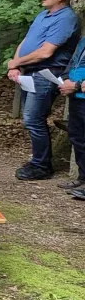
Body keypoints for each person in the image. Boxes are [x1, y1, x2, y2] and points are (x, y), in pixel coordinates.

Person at [6, 0, 78, 181]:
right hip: (29, 73)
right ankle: (38, 161)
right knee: (30, 119)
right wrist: (16, 65)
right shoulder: (42, 15)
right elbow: (26, 41)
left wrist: (16, 62)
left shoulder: (66, 18)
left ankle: (41, 165)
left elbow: (46, 52)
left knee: (33, 119)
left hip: (46, 74)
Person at [60, 35, 85, 199]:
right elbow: (73, 62)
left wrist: (76, 85)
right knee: (78, 138)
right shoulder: (83, 39)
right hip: (76, 98)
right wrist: (65, 79)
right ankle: (83, 178)